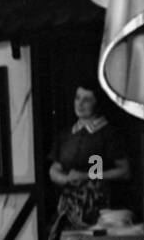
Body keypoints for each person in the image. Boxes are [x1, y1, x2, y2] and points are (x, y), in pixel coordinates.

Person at [47, 80, 131, 230]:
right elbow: (55, 168)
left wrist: (88, 176)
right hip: (68, 210)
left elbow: (124, 171)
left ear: (97, 103)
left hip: (100, 213)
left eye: (86, 100)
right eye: (77, 98)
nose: (80, 104)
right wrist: (66, 178)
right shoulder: (66, 135)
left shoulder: (108, 134)